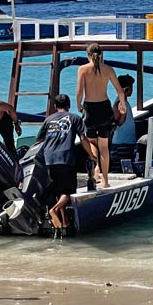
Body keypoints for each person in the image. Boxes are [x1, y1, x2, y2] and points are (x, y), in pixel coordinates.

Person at [36, 93, 94, 237]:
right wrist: (91, 155)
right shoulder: (75, 118)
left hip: (49, 159)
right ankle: (54, 210)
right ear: (69, 106)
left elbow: (39, 139)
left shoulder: (48, 120)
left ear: (55, 107)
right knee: (68, 192)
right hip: (65, 158)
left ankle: (64, 221)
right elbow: (83, 138)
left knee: (58, 191)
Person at [76, 43, 127, 189]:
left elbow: (79, 92)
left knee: (92, 143)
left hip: (90, 109)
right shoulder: (108, 70)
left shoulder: (83, 69)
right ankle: (105, 180)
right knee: (104, 146)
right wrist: (122, 104)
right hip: (105, 108)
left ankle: (96, 169)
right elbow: (120, 91)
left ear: (88, 55)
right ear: (101, 54)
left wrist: (79, 105)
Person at [111, 74, 136, 146]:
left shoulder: (123, 102)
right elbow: (118, 122)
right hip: (122, 143)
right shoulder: (120, 103)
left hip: (126, 142)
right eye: (131, 87)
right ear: (127, 89)